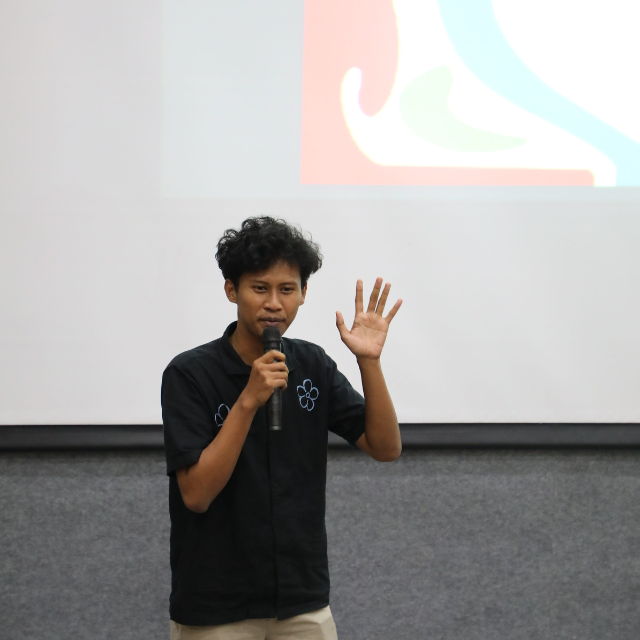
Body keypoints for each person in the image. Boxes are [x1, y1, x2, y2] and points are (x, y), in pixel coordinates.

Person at [162, 216, 403, 640]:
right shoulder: (190, 374)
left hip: (301, 600)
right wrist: (248, 400)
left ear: (304, 293)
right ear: (231, 290)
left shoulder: (312, 365)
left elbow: (385, 448)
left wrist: (369, 361)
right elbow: (196, 496)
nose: (274, 303)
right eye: (260, 288)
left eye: (287, 289)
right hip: (217, 604)